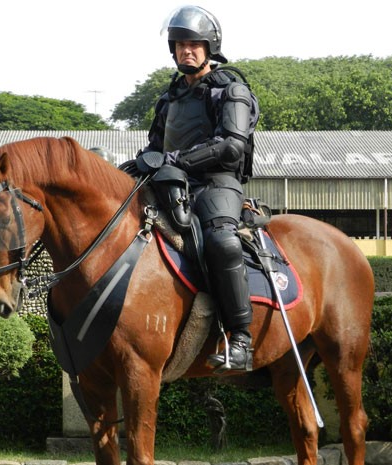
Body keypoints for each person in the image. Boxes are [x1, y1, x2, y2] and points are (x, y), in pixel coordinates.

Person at [132, 5, 260, 372]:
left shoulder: (231, 91)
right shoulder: (168, 98)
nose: (186, 50)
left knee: (222, 242)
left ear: (209, 48)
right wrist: (139, 164)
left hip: (218, 183)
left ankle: (241, 340)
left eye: (194, 44)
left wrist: (176, 161)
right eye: (180, 44)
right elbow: (156, 148)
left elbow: (232, 146)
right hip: (171, 183)